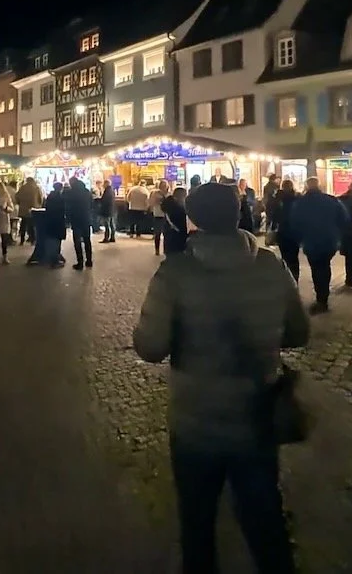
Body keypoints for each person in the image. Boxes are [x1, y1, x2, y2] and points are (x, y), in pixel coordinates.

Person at [133, 182, 308, 574]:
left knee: (197, 521)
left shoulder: (176, 272)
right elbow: (299, 332)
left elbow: (151, 347)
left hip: (196, 419)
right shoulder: (270, 264)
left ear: (194, 220)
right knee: (265, 519)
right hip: (258, 414)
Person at [288, 177, 350, 313]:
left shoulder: (301, 203)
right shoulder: (332, 200)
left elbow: (294, 222)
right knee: (325, 266)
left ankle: (321, 298)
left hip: (311, 241)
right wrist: (338, 234)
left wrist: (299, 238)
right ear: (319, 186)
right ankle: (323, 298)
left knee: (316, 269)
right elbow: (344, 219)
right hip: (329, 240)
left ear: (307, 187)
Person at [65, 177, 95, 270]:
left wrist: (68, 219)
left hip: (76, 220)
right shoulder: (87, 192)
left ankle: (80, 262)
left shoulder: (71, 193)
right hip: (86, 218)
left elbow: (68, 207)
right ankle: (89, 261)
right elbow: (92, 204)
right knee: (87, 240)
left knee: (77, 242)